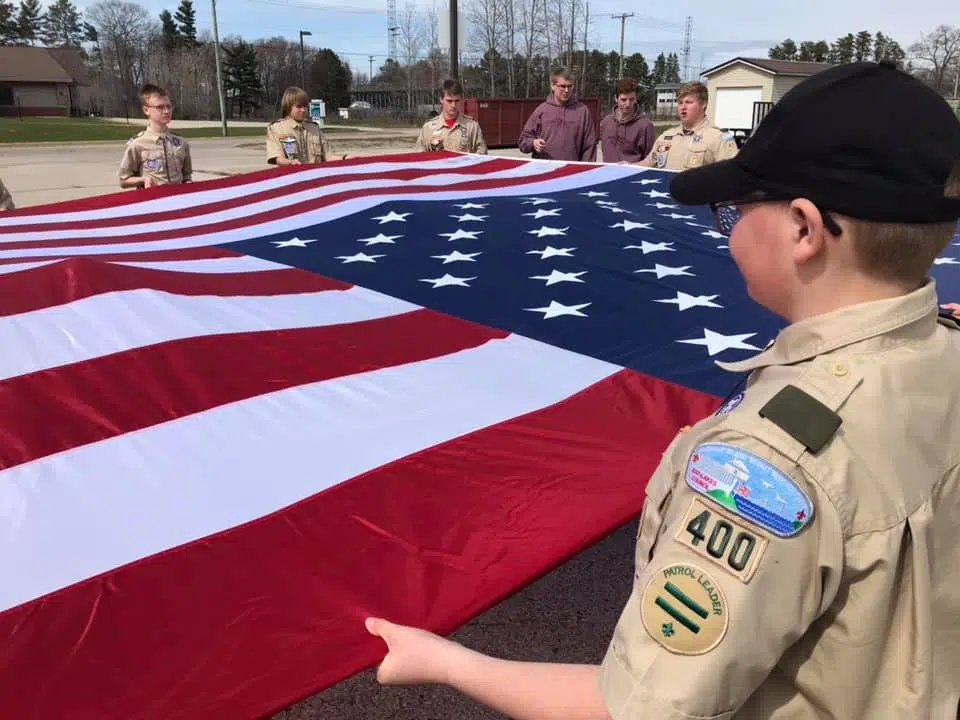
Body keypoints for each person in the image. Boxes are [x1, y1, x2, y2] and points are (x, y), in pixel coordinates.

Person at [363, 60, 960, 719]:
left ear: (803, 230)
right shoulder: (943, 352)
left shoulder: (769, 466)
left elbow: (635, 709)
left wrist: (448, 662)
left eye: (734, 210)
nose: (727, 229)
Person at [637, 80, 738, 170]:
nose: (683, 107)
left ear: (703, 104)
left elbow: (732, 173)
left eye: (688, 102)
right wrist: (628, 167)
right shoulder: (666, 136)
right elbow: (648, 163)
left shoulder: (719, 137)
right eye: (680, 103)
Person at [118, 83, 193, 189]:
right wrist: (143, 180)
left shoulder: (181, 143)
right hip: (153, 198)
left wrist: (189, 183)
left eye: (168, 106)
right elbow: (123, 180)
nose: (166, 111)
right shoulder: (137, 144)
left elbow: (186, 175)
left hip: (178, 197)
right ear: (146, 110)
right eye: (160, 107)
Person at [518, 68, 597, 162]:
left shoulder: (583, 111)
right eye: (562, 86)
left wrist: (586, 169)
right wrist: (533, 143)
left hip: (571, 169)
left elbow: (590, 146)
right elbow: (523, 141)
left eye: (570, 86)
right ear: (553, 86)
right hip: (544, 169)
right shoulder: (541, 110)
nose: (566, 90)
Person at [415, 78, 487, 154]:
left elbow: (482, 155)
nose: (453, 105)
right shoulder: (428, 128)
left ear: (461, 99)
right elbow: (419, 156)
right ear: (441, 99)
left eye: (457, 101)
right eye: (449, 101)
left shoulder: (472, 127)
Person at [266, 86, 330, 166]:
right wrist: (290, 162)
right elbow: (278, 158)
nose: (303, 110)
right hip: (292, 172)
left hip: (314, 172)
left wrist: (343, 158)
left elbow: (328, 156)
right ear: (288, 107)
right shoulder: (277, 128)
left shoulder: (314, 128)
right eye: (299, 106)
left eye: (305, 106)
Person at [598, 77, 654, 164]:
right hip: (607, 171)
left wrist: (632, 165)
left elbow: (651, 160)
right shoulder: (606, 122)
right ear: (616, 98)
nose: (628, 104)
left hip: (633, 172)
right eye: (623, 100)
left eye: (631, 99)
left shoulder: (645, 126)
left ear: (636, 98)